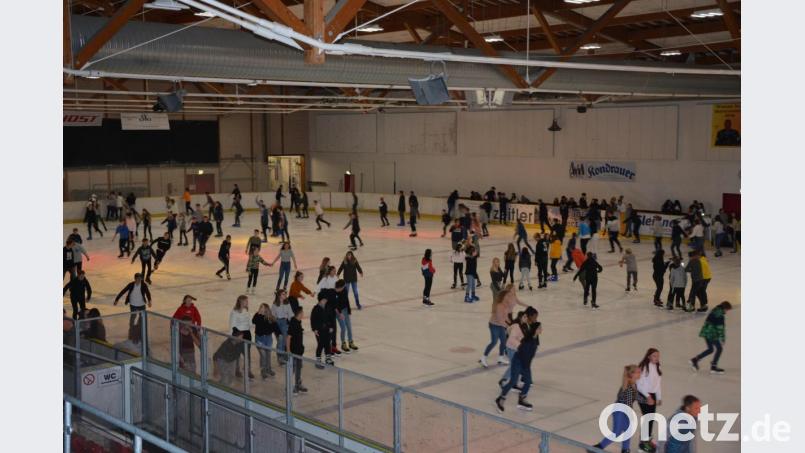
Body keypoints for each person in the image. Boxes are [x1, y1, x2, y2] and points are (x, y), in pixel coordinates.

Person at [494, 306, 540, 413]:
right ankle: (501, 398)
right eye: (534, 317)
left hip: (525, 360)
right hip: (517, 357)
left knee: (528, 382)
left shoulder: (531, 327)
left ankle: (522, 399)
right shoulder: (520, 326)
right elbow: (511, 339)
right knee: (513, 380)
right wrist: (521, 346)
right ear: (528, 316)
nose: (536, 319)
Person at [590, 365, 646, 452]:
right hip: (620, 411)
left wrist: (646, 401)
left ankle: (625, 450)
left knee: (628, 430)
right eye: (638, 372)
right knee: (617, 432)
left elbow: (637, 396)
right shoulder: (629, 387)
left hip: (624, 410)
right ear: (632, 374)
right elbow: (628, 403)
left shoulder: (633, 384)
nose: (640, 374)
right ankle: (597, 448)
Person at [481, 285, 528, 368]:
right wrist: (508, 326)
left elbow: (505, 316)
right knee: (494, 342)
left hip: (500, 325)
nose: (508, 297)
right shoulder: (499, 306)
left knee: (503, 342)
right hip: (494, 325)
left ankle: (500, 358)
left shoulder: (505, 304)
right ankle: (483, 358)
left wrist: (510, 323)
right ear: (503, 297)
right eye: (507, 296)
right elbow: (500, 320)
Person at [690, 301, 732, 375]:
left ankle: (695, 360)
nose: (727, 312)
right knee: (719, 348)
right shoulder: (720, 315)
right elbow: (720, 328)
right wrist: (722, 338)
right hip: (712, 333)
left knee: (710, 349)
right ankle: (714, 366)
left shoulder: (715, 309)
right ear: (725, 308)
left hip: (706, 331)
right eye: (727, 310)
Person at [636, 348, 663, 452]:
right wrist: (648, 396)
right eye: (654, 356)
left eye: (658, 356)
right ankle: (643, 444)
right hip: (643, 395)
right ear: (648, 356)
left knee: (651, 418)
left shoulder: (657, 366)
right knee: (647, 418)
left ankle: (647, 439)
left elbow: (657, 384)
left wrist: (659, 397)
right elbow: (639, 385)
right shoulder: (643, 367)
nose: (657, 358)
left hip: (652, 395)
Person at [229, 295, 254, 379]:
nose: (247, 302)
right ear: (241, 302)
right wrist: (232, 337)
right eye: (246, 301)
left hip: (247, 334)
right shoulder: (234, 312)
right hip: (239, 334)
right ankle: (237, 370)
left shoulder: (246, 310)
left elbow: (249, 323)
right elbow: (232, 325)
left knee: (247, 354)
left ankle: (248, 370)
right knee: (237, 354)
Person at [287, 306, 307, 394]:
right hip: (293, 351)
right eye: (302, 312)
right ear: (299, 313)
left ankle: (298, 384)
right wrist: (288, 350)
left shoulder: (298, 322)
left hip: (299, 351)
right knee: (293, 370)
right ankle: (289, 387)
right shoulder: (293, 323)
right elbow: (288, 337)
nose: (303, 314)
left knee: (298, 368)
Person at [253, 303, 277, 379]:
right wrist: (258, 313)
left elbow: (275, 327)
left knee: (268, 354)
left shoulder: (270, 317)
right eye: (260, 307)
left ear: (266, 309)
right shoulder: (257, 316)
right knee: (263, 355)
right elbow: (254, 321)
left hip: (268, 339)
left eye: (262, 307)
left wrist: (278, 334)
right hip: (259, 339)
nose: (260, 308)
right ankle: (263, 371)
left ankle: (268, 369)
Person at [334, 279, 359, 351]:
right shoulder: (334, 293)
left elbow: (346, 300)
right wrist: (340, 313)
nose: (344, 288)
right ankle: (343, 344)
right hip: (338, 312)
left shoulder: (344, 290)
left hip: (345, 310)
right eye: (342, 287)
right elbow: (335, 305)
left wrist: (349, 310)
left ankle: (351, 342)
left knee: (349, 327)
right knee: (343, 328)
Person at [311, 295, 335, 368]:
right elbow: (313, 320)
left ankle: (328, 358)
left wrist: (331, 327)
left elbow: (332, 318)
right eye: (324, 300)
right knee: (320, 344)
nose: (325, 301)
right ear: (320, 300)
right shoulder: (315, 309)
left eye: (326, 300)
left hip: (327, 329)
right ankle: (318, 360)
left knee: (328, 343)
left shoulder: (328, 307)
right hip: (319, 330)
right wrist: (314, 329)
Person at [271, 289, 294, 365]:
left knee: (284, 339)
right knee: (280, 339)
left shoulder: (287, 303)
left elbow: (290, 314)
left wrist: (294, 323)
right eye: (283, 294)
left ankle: (283, 355)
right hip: (277, 322)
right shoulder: (275, 304)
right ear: (279, 295)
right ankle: (280, 356)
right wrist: (274, 323)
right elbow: (272, 315)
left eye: (285, 294)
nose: (285, 295)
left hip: (284, 322)